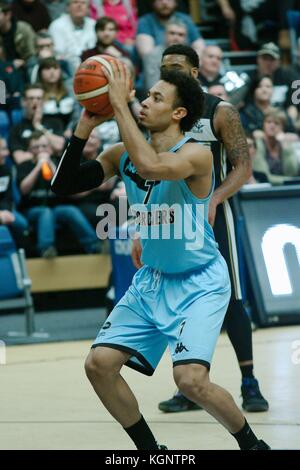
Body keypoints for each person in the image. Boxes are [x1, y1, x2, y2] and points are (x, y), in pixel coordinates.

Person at [51, 61, 270, 450]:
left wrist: (118, 105)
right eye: (144, 95)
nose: (143, 102)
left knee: (190, 381)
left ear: (179, 113)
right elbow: (63, 186)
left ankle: (252, 445)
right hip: (151, 281)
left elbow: (153, 166)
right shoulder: (123, 153)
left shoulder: (198, 155)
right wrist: (85, 125)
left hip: (199, 282)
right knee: (98, 366)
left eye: (156, 98)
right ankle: (151, 453)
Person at [131, 45, 269, 413]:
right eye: (163, 69)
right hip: (171, 218)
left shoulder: (220, 111)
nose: (168, 73)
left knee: (234, 297)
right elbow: (149, 173)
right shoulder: (159, 113)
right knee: (177, 295)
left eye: (175, 68)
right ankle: (187, 386)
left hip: (212, 214)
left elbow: (242, 167)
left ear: (194, 73)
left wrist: (214, 198)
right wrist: (140, 227)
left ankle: (249, 380)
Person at [136, 0, 204, 58]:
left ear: (176, 2)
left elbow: (200, 47)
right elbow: (147, 55)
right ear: (153, 2)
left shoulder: (186, 20)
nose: (164, 2)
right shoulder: (145, 22)